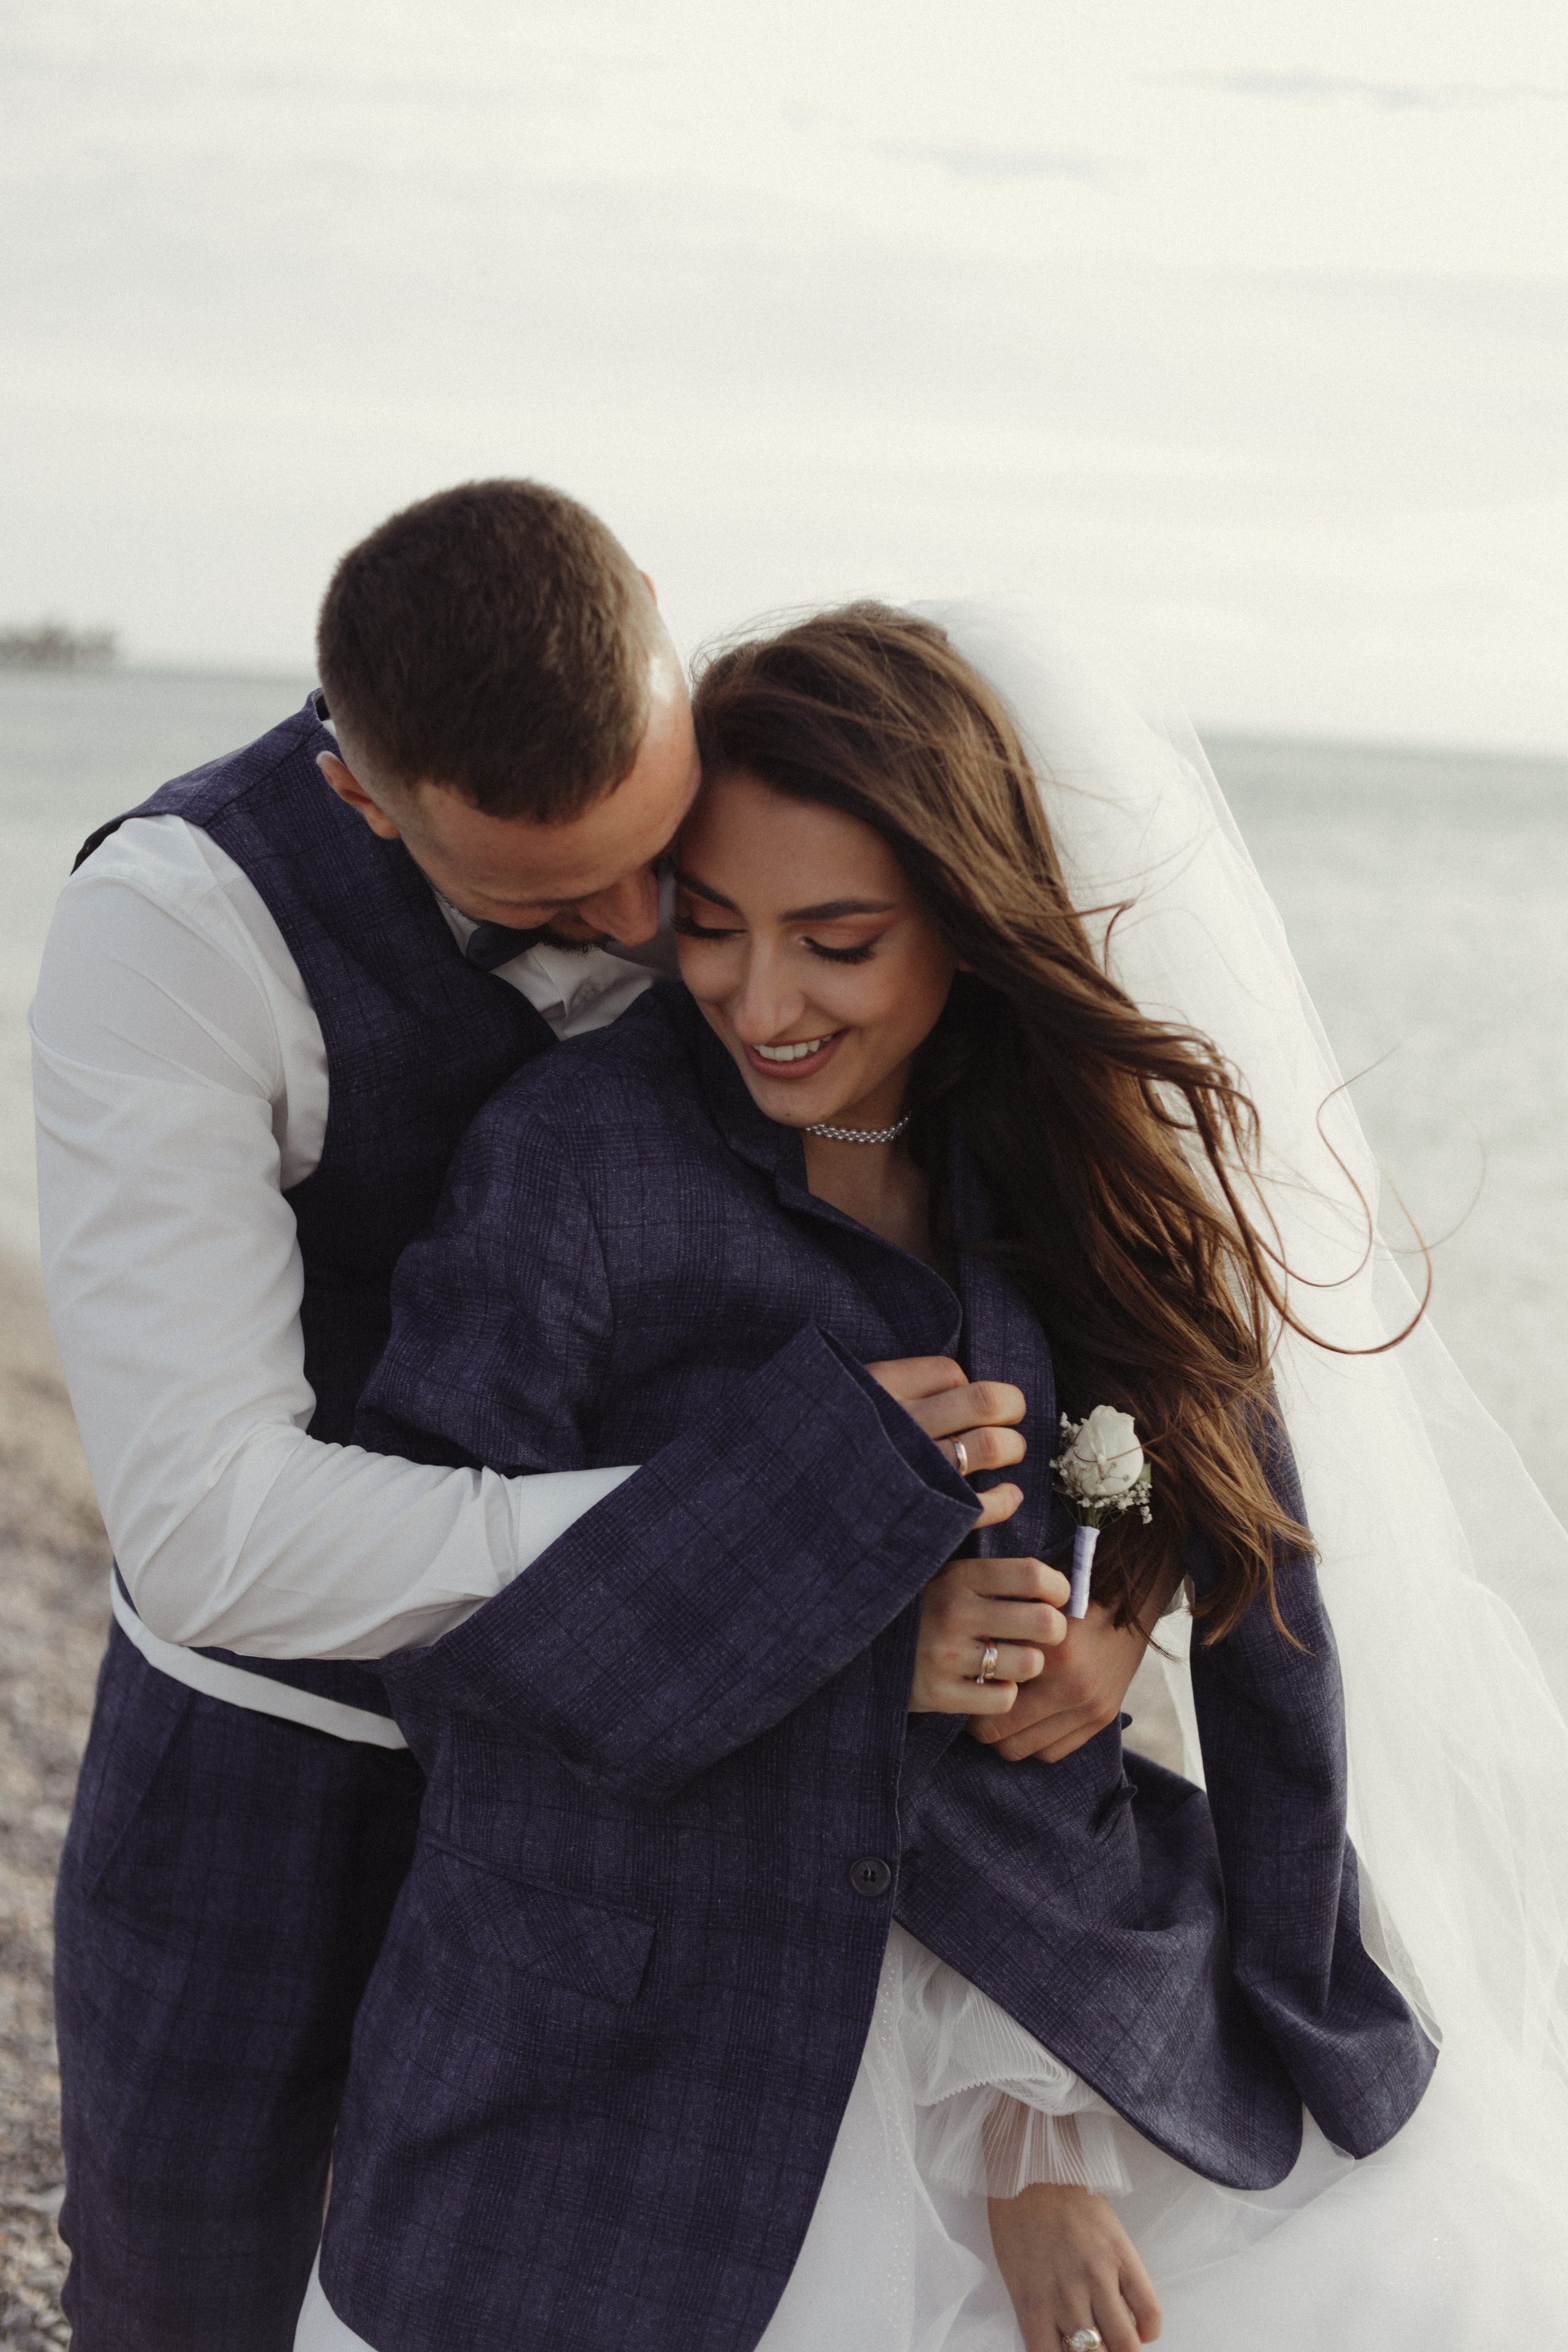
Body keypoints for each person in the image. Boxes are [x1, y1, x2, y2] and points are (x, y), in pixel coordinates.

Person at [291, 601, 1564, 2352]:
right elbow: (417, 1633)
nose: (760, 996)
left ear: (963, 924)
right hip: (641, 2053)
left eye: (839, 940)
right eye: (713, 924)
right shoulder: (571, 1167)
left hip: (1046, 1974)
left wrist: (1116, 1612)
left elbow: (1212, 1479)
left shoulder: (1061, 1151)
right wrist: (847, 1644)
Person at [32, 496, 1137, 2350]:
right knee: (191, 2288)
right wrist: (775, 1547)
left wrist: (1093, 1591)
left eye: (663, 866)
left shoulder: (766, 875)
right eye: (556, 903)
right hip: (278, 1762)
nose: (650, 939)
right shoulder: (175, 932)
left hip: (687, 1815)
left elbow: (1089, 1342)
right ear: (373, 803)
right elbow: (212, 1525)